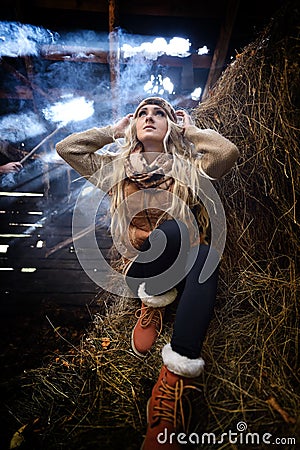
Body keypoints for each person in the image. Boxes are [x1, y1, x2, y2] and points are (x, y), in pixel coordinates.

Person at [56, 97, 239, 449]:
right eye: (143, 114)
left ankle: (174, 380)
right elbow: (68, 149)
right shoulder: (115, 169)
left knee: (203, 254)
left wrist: (191, 131)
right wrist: (113, 131)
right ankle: (151, 303)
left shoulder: (188, 169)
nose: (151, 117)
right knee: (175, 232)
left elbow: (226, 153)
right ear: (133, 126)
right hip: (141, 269)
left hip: (182, 265)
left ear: (172, 124)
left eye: (160, 114)